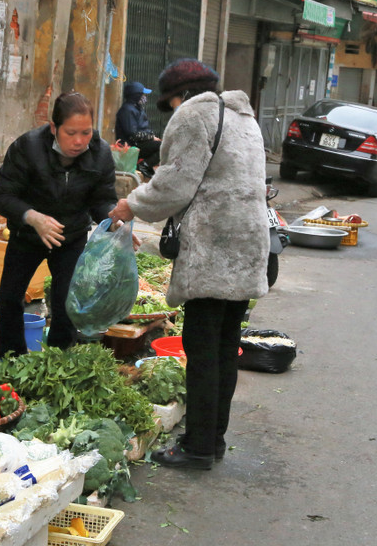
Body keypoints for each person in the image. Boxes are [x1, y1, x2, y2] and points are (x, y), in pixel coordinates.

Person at [109, 59, 271, 470]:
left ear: (179, 97)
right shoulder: (242, 116)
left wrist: (132, 204)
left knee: (201, 350)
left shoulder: (193, 115)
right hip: (247, 246)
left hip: (213, 248)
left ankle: (197, 447)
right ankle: (212, 438)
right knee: (223, 347)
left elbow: (175, 185)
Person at [0, 92, 117, 358]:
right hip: (27, 235)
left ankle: (58, 361)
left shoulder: (101, 153)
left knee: (66, 303)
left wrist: (114, 220)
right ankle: (12, 361)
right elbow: (2, 195)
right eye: (71, 132)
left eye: (86, 132)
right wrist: (32, 217)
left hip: (70, 237)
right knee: (11, 297)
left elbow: (102, 199)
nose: (80, 141)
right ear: (53, 128)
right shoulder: (28, 147)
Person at [114, 81, 161, 170]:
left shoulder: (136, 108)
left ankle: (146, 165)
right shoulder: (127, 110)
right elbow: (133, 134)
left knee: (164, 145)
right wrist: (151, 138)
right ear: (136, 96)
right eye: (143, 94)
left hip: (140, 143)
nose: (145, 97)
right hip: (130, 146)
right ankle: (144, 165)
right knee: (162, 146)